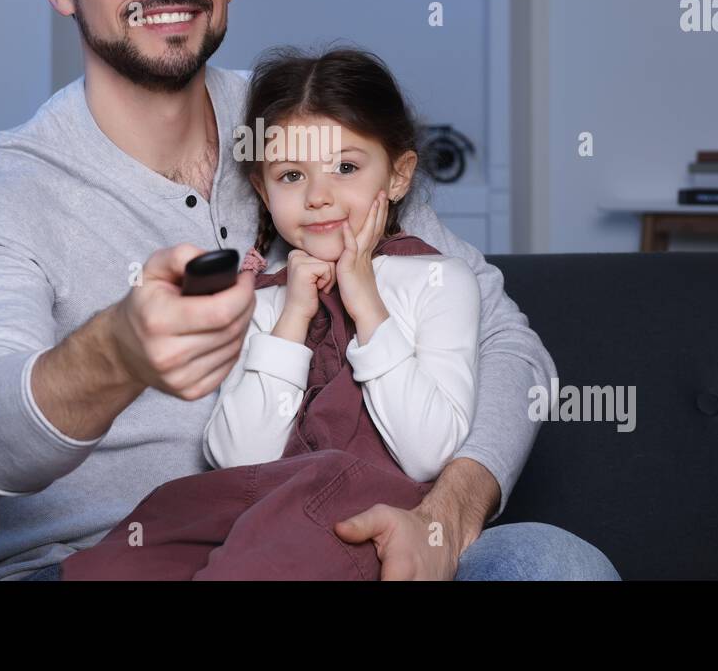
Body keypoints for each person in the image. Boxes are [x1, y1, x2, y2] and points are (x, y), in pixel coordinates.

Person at [0, 0, 620, 581]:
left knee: (554, 564)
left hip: (345, 539)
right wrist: (116, 351)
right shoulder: (7, 186)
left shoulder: (308, 126)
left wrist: (443, 516)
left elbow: (511, 348)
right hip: (93, 562)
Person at [58, 48, 480, 579]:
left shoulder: (438, 281)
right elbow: (239, 459)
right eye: (290, 176)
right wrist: (291, 321)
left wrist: (365, 300)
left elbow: (427, 453)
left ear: (398, 176)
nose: (319, 197)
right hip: (258, 504)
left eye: (346, 167)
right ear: (262, 188)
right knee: (143, 541)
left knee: (287, 528)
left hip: (367, 510)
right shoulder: (262, 300)